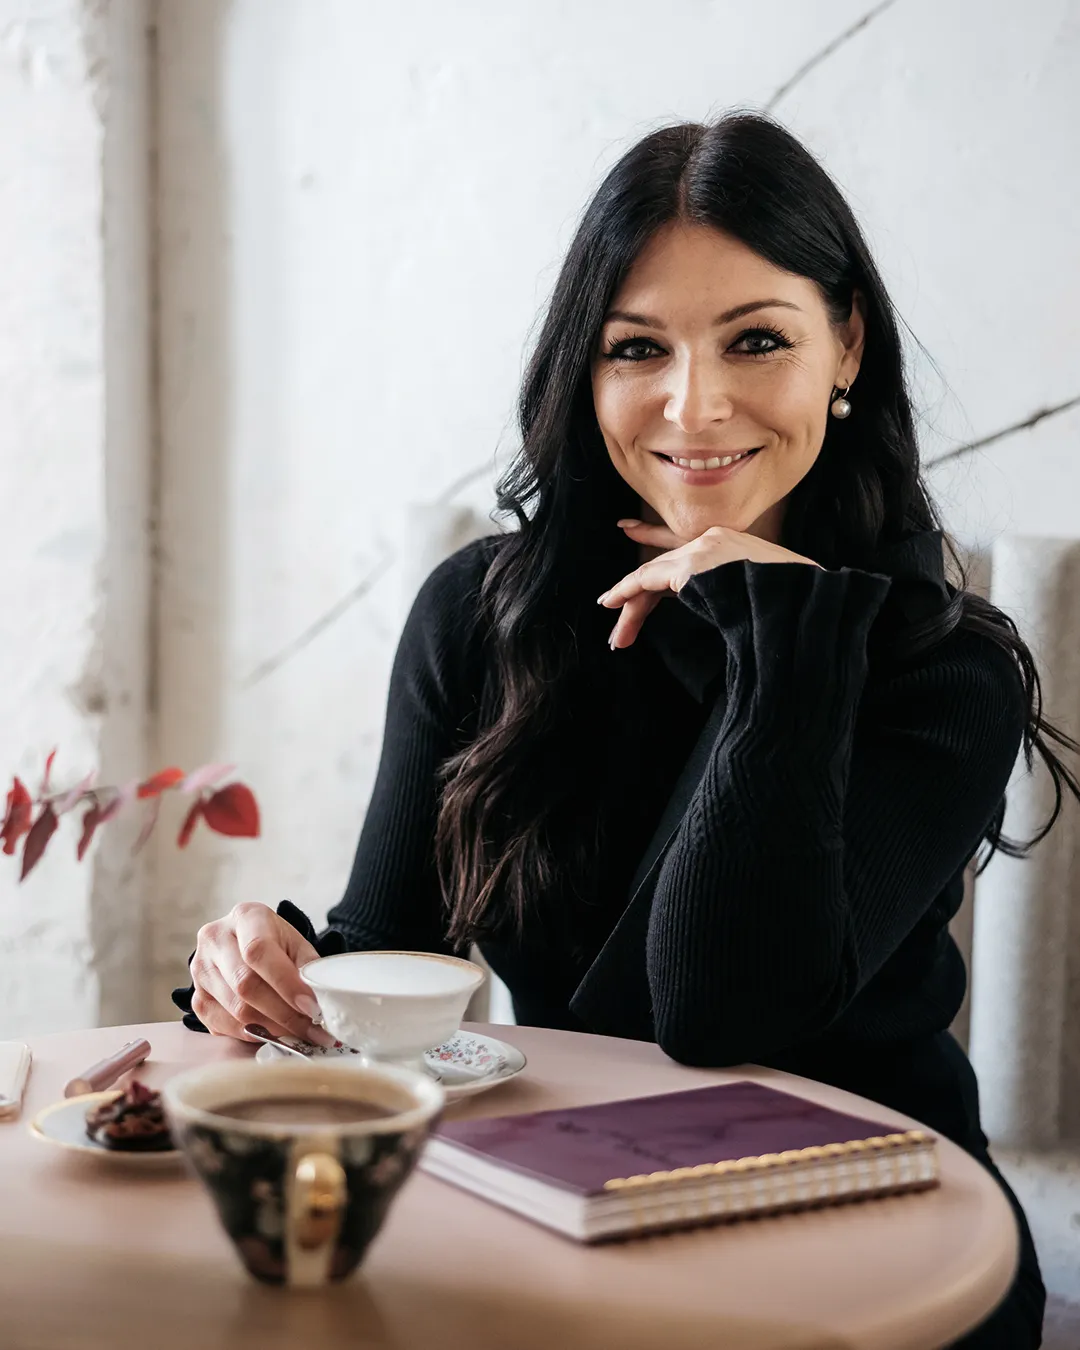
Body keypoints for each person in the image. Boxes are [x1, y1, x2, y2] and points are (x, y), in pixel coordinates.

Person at [174, 110, 1079, 1346]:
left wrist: (779, 626)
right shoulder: (481, 615)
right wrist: (267, 966)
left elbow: (717, 1020)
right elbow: (388, 953)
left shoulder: (940, 669)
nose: (694, 406)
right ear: (585, 372)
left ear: (846, 345)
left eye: (757, 339)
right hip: (559, 1219)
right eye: (636, 348)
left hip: (871, 1247)